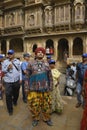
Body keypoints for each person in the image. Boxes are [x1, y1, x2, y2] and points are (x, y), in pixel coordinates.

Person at [24, 47, 53, 127]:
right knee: (35, 105)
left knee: (46, 105)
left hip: (45, 88)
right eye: (38, 52)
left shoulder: (47, 63)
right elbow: (27, 76)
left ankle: (47, 118)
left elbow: (50, 76)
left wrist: (51, 86)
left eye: (42, 52)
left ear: (44, 54)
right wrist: (26, 87)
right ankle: (36, 118)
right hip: (34, 89)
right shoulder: (30, 63)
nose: (40, 53)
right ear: (35, 54)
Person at [2, 49, 22, 115]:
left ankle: (15, 100)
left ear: (14, 54)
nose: (10, 55)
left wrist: (20, 78)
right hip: (8, 81)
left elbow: (20, 71)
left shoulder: (17, 61)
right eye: (9, 54)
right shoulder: (5, 62)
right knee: (8, 95)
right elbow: (3, 71)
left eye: (11, 54)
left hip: (16, 80)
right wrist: (7, 68)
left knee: (16, 93)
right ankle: (10, 109)